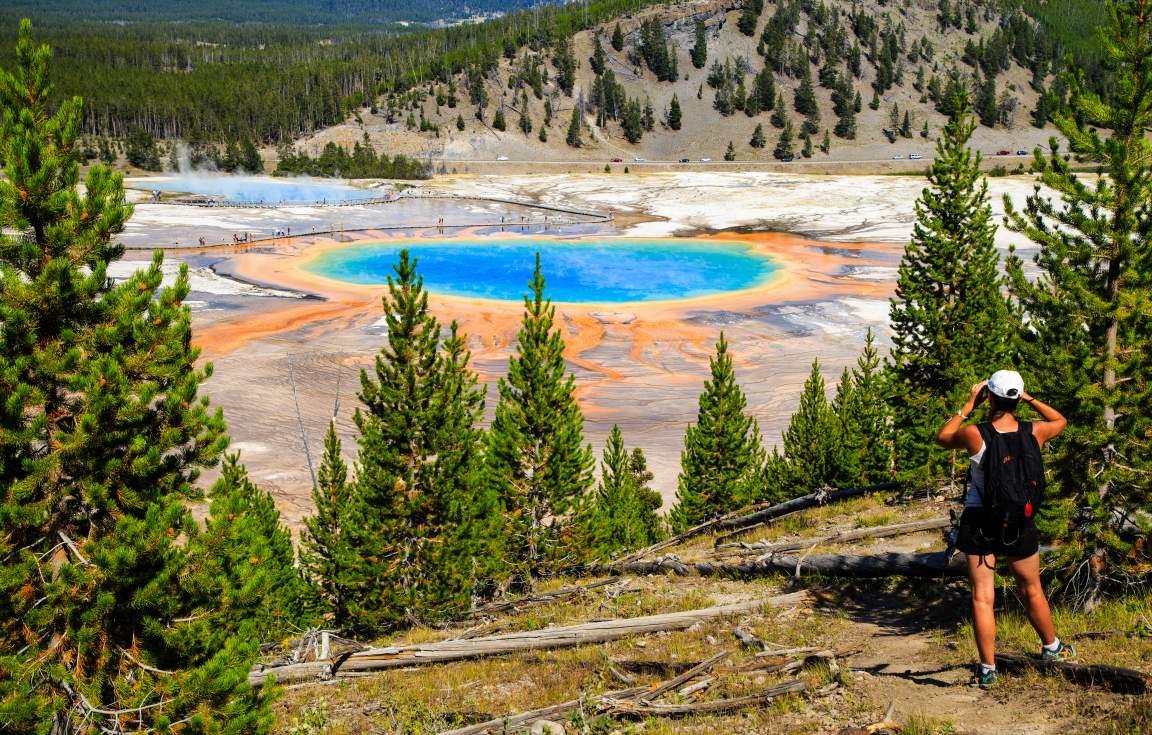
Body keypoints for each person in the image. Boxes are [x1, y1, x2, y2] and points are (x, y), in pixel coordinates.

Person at [935, 370, 1076, 689]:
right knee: (1032, 588)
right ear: (1017, 398)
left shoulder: (976, 434)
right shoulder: (1035, 432)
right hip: (1019, 521)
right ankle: (1052, 647)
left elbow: (942, 437)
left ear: (991, 397)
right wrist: (1030, 399)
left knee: (982, 596)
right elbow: (1061, 420)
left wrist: (968, 405)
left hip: (980, 520)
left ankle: (988, 669)